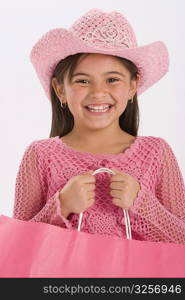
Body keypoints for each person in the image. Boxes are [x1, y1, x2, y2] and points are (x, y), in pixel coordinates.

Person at [13, 8, 185, 244]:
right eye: (82, 81)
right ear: (60, 89)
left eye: (112, 79)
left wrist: (143, 205)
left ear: (133, 87)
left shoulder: (157, 153)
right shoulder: (40, 156)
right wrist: (61, 206)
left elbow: (181, 241)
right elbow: (18, 246)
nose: (98, 93)